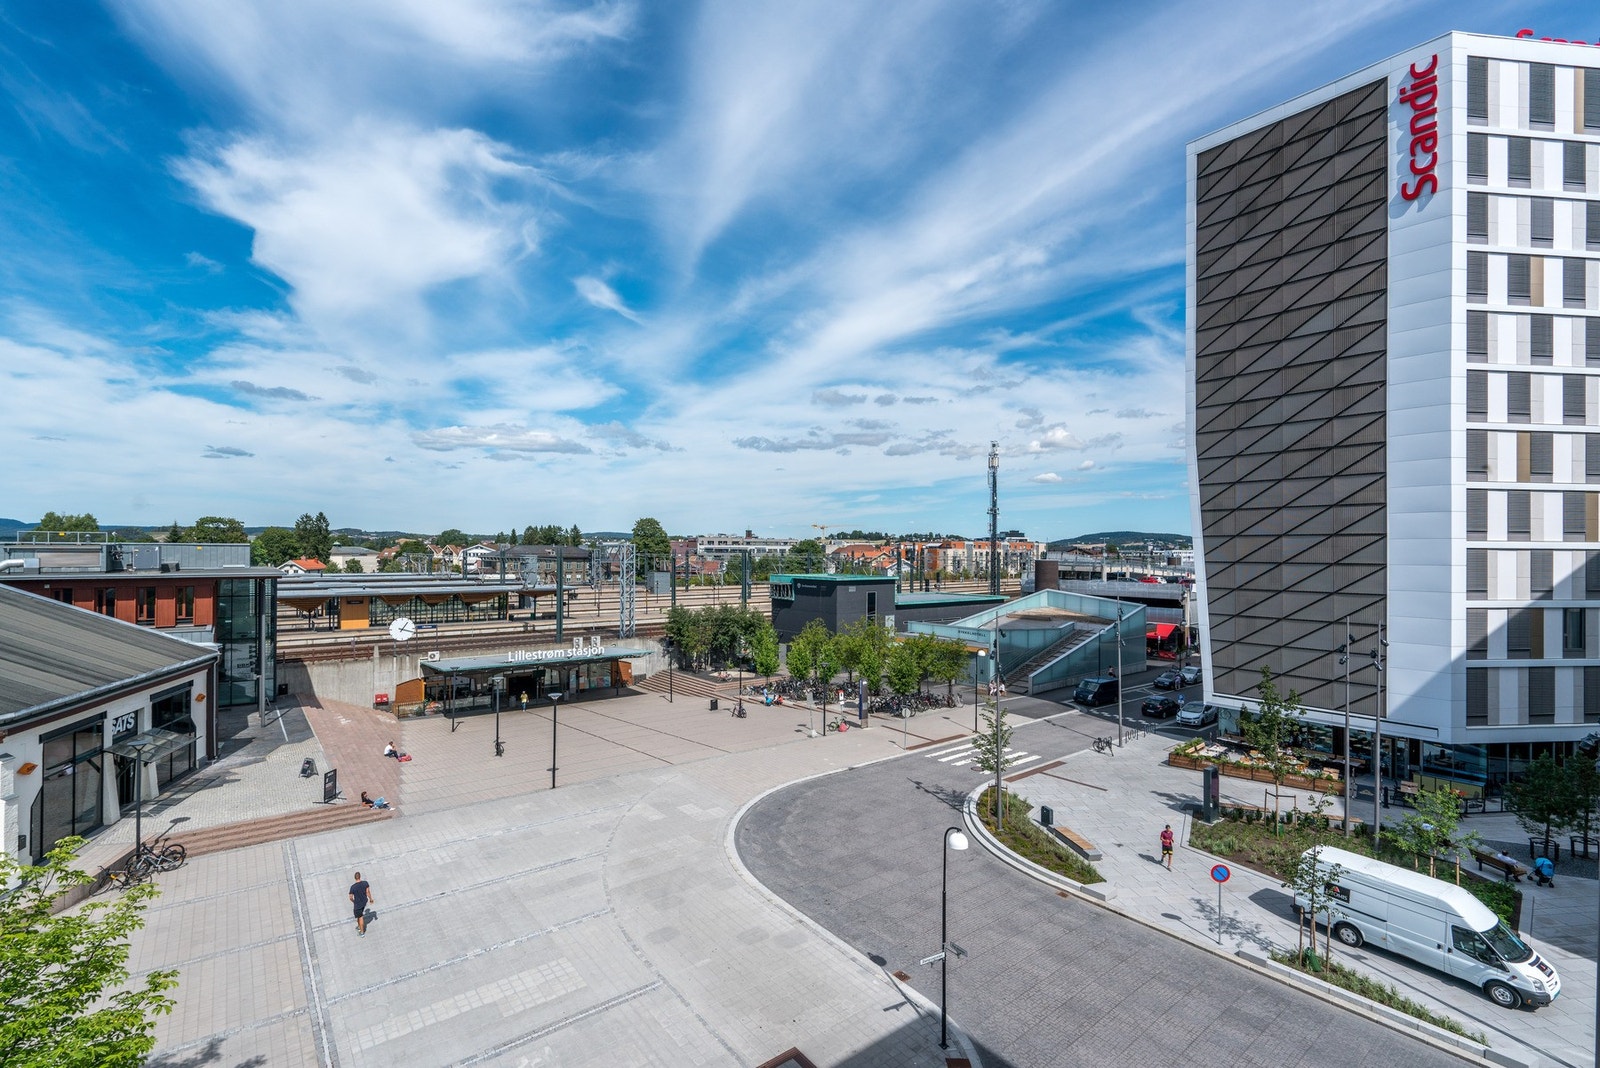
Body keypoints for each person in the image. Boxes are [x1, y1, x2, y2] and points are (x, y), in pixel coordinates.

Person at [349, 871, 374, 936]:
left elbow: (350, 897)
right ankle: (359, 926)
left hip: (357, 905)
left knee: (360, 917)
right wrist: (371, 899)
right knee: (359, 916)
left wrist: (354, 902)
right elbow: (368, 892)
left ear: (355, 878)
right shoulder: (365, 883)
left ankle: (362, 932)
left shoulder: (353, 887)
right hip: (364, 902)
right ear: (360, 877)